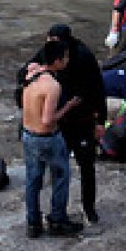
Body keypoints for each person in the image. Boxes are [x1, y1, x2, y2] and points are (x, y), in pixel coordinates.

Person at [31, 24, 106, 225]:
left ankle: (89, 208)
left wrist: (101, 121)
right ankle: (58, 213)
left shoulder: (84, 57)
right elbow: (26, 73)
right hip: (59, 122)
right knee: (58, 168)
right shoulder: (49, 52)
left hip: (82, 119)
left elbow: (99, 89)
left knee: (87, 167)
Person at [21, 39, 84, 238]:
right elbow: (48, 120)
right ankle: (57, 220)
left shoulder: (31, 74)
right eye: (64, 57)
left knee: (33, 180)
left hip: (27, 134)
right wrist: (68, 106)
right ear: (56, 61)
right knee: (61, 177)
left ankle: (33, 223)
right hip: (47, 138)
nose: (67, 61)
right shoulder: (53, 86)